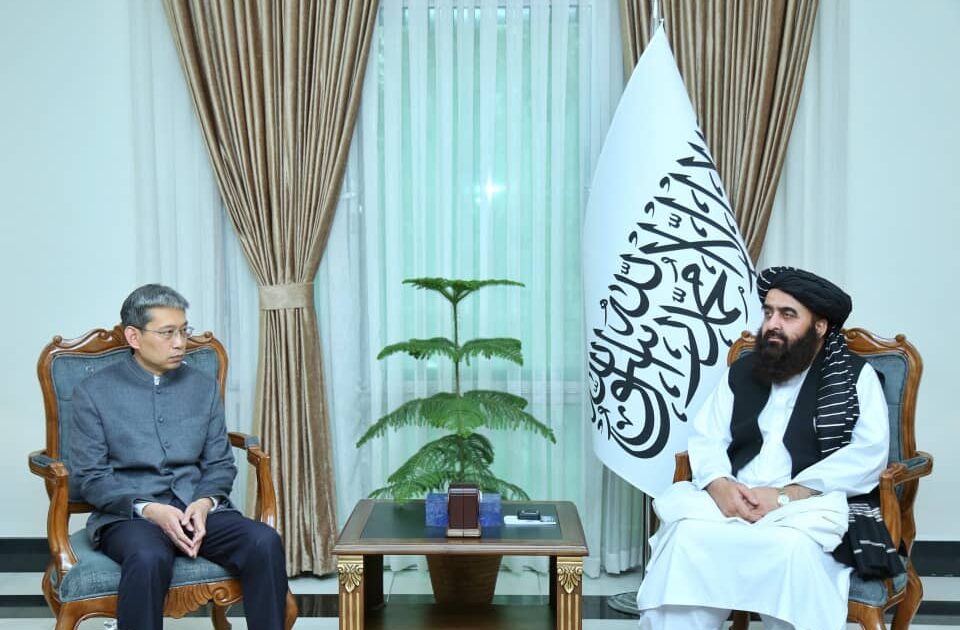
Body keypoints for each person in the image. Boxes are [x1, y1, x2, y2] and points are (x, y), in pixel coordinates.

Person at [636, 267, 903, 630]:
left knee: (789, 549)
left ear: (819, 326)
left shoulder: (854, 376)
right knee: (685, 540)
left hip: (806, 506)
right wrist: (719, 485)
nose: (772, 324)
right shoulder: (744, 370)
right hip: (733, 500)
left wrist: (786, 495)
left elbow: (868, 454)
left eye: (787, 314)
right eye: (768, 312)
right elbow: (707, 435)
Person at [70, 284, 288, 630]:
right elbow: (91, 477)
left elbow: (220, 463)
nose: (180, 343)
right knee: (147, 556)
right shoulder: (93, 392)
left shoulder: (202, 387)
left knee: (264, 541)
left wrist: (204, 503)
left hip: (195, 509)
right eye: (167, 333)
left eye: (184, 331)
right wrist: (150, 509)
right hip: (130, 516)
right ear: (133, 336)